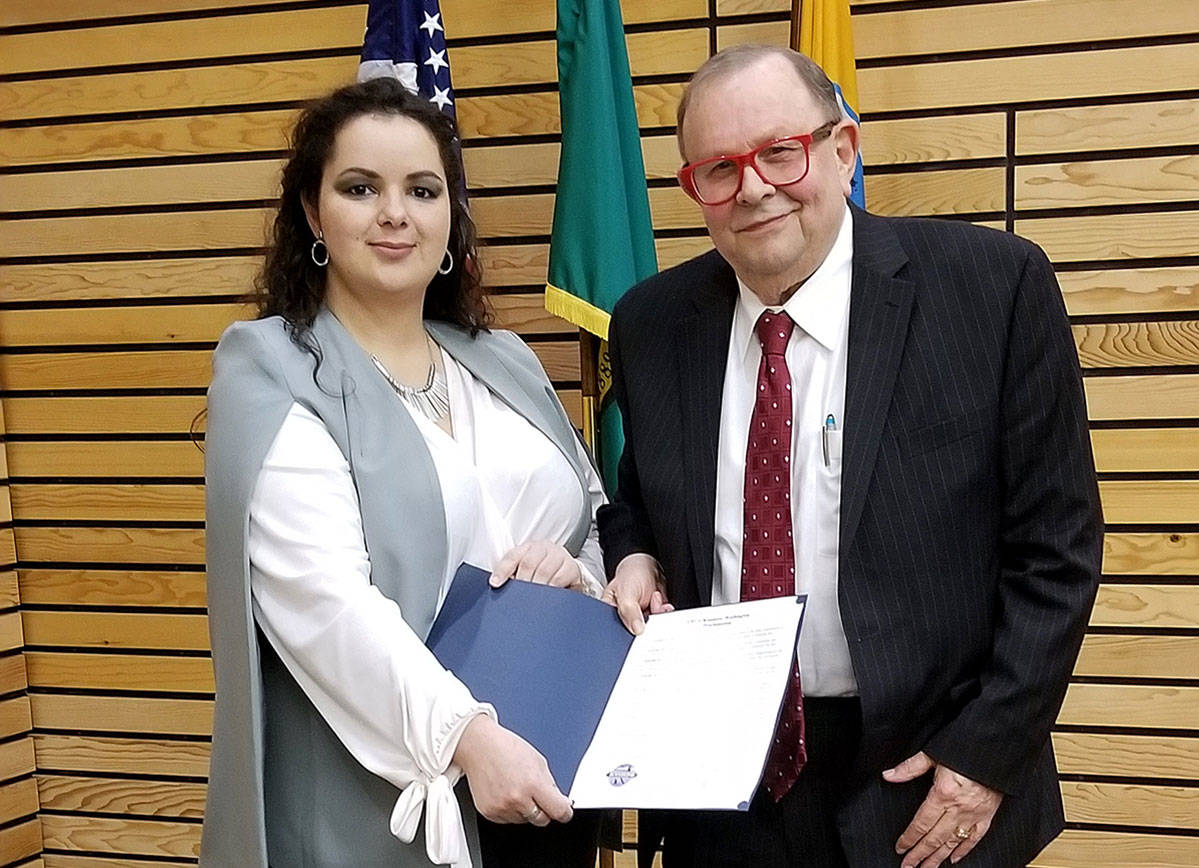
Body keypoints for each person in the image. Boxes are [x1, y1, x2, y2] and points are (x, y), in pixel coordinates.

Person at [597, 45, 1102, 868]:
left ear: (842, 149)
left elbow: (1059, 551)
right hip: (722, 786)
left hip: (926, 777)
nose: (754, 187)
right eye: (718, 169)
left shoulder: (991, 289)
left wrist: (984, 757)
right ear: (694, 190)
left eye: (779, 152)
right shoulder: (653, 323)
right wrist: (636, 553)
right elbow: (638, 499)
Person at [203, 77, 606, 868]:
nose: (395, 213)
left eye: (423, 190)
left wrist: (575, 573)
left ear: (451, 218)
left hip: (553, 780)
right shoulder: (270, 369)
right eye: (361, 188)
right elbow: (327, 606)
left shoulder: (503, 361)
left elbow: (589, 519)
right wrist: (470, 738)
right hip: (399, 801)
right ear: (314, 215)